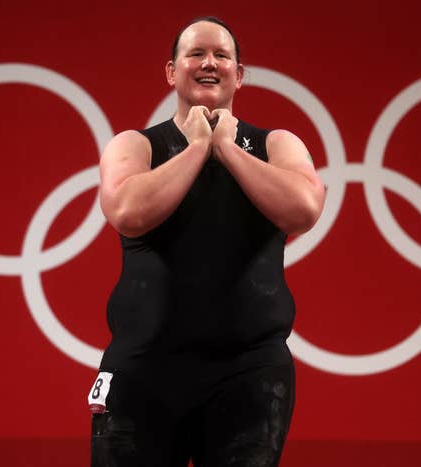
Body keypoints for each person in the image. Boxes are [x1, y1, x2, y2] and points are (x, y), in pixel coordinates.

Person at [87, 16, 325, 467]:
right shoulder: (133, 145)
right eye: (195, 53)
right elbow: (127, 212)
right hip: (143, 368)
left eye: (221, 55)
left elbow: (305, 210)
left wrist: (228, 149)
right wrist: (197, 147)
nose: (209, 63)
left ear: (240, 73)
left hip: (249, 371)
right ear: (172, 72)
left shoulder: (277, 143)